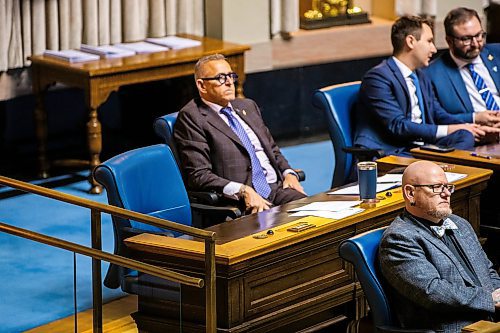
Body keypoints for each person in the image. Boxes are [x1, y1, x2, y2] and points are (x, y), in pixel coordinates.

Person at [174, 54, 306, 214]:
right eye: (221, 78)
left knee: (316, 215)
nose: (230, 82)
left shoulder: (248, 106)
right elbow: (198, 175)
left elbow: (272, 149)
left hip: (276, 189)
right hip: (241, 202)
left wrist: (289, 173)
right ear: (202, 86)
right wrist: (242, 190)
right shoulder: (192, 117)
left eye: (231, 76)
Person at [379, 160, 500, 332]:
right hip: (456, 327)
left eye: (448, 187)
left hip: (490, 318)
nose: (446, 194)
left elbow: (487, 269)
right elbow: (433, 292)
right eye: (437, 187)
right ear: (411, 193)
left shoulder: (460, 223)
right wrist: (489, 300)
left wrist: (498, 292)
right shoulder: (399, 239)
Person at [353, 16, 499, 157]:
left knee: (465, 136)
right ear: (411, 41)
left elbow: (439, 115)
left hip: (421, 146)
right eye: (429, 41)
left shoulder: (421, 76)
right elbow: (398, 126)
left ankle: (437, 169)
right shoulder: (378, 77)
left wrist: (474, 127)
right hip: (393, 150)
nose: (434, 49)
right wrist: (450, 129)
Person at [425, 7, 500, 125]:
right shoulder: (432, 74)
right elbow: (436, 118)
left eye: (479, 35)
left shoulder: (497, 53)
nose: (475, 44)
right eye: (466, 39)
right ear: (449, 41)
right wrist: (474, 118)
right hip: (476, 137)